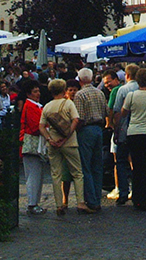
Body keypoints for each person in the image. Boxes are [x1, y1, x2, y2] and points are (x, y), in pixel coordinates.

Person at [40, 78, 88, 215]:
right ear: (64, 90)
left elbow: (41, 126)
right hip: (69, 143)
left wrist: (49, 139)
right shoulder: (68, 104)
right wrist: (67, 137)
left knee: (56, 174)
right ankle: (80, 202)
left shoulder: (47, 106)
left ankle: (59, 204)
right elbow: (76, 120)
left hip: (53, 142)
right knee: (77, 173)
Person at [120, 67, 146, 211]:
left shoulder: (131, 96)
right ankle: (145, 200)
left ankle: (136, 198)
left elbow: (123, 113)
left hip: (134, 133)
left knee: (136, 166)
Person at [73, 68, 109, 212]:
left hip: (86, 130)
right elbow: (106, 111)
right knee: (97, 166)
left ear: (80, 80)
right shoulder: (99, 93)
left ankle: (91, 200)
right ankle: (97, 198)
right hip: (98, 128)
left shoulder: (80, 95)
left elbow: (79, 117)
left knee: (85, 166)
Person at [109, 63, 138, 206]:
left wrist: (116, 130)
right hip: (140, 131)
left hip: (124, 131)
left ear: (127, 75)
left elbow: (117, 112)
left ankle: (123, 192)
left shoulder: (123, 90)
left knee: (121, 161)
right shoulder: (143, 90)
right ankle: (137, 191)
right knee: (137, 162)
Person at [19, 82, 48, 215]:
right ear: (29, 94)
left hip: (32, 144)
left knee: (34, 174)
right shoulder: (31, 106)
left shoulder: (32, 105)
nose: (38, 94)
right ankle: (32, 203)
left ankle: (34, 202)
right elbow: (36, 126)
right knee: (34, 175)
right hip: (33, 144)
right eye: (35, 91)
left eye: (38, 91)